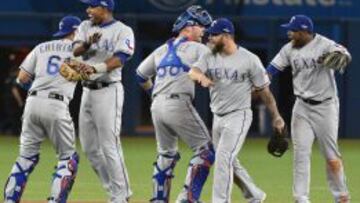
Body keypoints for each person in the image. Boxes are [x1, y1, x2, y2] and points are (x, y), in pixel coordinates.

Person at [189, 18, 285, 203]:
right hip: (217, 116)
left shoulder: (249, 59)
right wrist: (200, 76)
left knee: (224, 157)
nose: (209, 38)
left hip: (239, 115)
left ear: (226, 36)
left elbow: (264, 91)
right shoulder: (210, 55)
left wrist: (277, 117)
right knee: (229, 159)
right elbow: (192, 72)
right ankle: (255, 195)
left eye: (214, 35)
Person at [266, 15, 351, 203]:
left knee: (331, 156)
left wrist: (340, 55)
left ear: (304, 32)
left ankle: (341, 196)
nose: (290, 34)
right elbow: (271, 69)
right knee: (301, 153)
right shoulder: (289, 49)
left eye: (293, 31)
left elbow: (344, 54)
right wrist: (261, 79)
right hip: (302, 106)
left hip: (326, 106)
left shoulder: (324, 44)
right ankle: (301, 198)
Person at [136, 5, 215, 203]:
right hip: (178, 103)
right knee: (205, 150)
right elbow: (218, 67)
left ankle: (159, 199)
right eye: (201, 26)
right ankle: (187, 198)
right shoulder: (199, 48)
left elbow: (140, 74)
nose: (204, 31)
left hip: (157, 106)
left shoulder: (161, 49)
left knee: (166, 154)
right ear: (188, 27)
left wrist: (154, 93)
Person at [3, 15, 81, 202]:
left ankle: (9, 200)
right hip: (56, 104)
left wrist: (37, 92)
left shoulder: (41, 47)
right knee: (68, 159)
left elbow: (21, 78)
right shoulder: (79, 51)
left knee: (25, 158)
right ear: (75, 31)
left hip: (32, 103)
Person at [72, 0, 135, 202]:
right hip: (87, 91)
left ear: (105, 7)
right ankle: (114, 193)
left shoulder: (122, 30)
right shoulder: (84, 26)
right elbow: (75, 52)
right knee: (90, 149)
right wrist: (88, 44)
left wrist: (95, 68)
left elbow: (120, 59)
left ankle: (122, 195)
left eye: (92, 6)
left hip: (109, 90)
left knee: (110, 145)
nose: (88, 10)